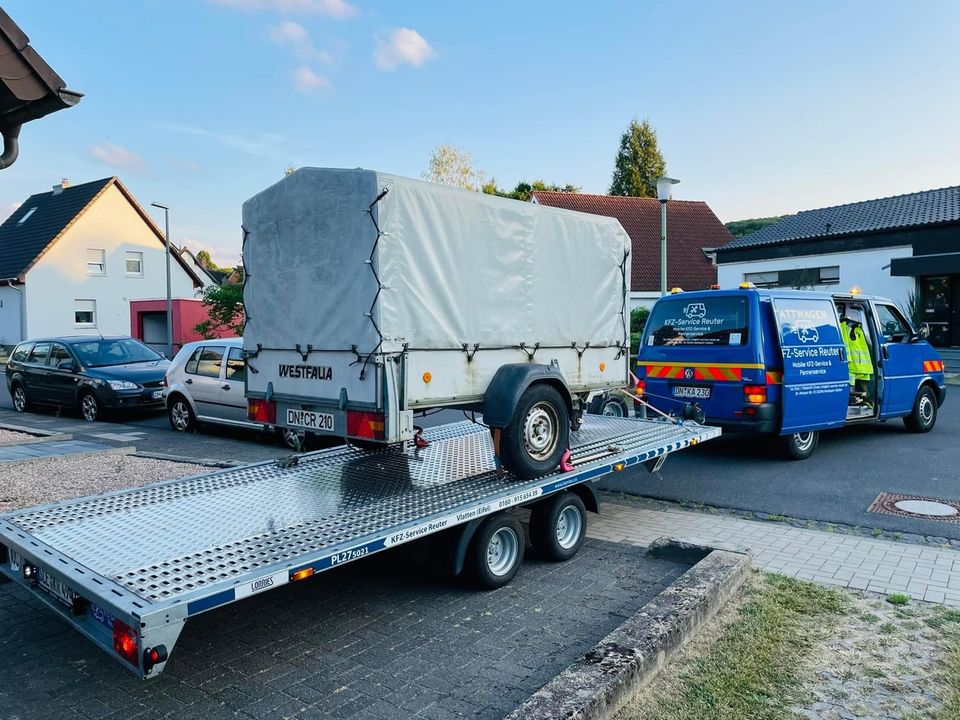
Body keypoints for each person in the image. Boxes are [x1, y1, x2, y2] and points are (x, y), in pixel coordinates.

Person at [841, 315, 873, 405]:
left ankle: (867, 402)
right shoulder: (847, 328)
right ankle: (867, 402)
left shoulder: (856, 330)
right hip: (855, 368)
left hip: (858, 368)